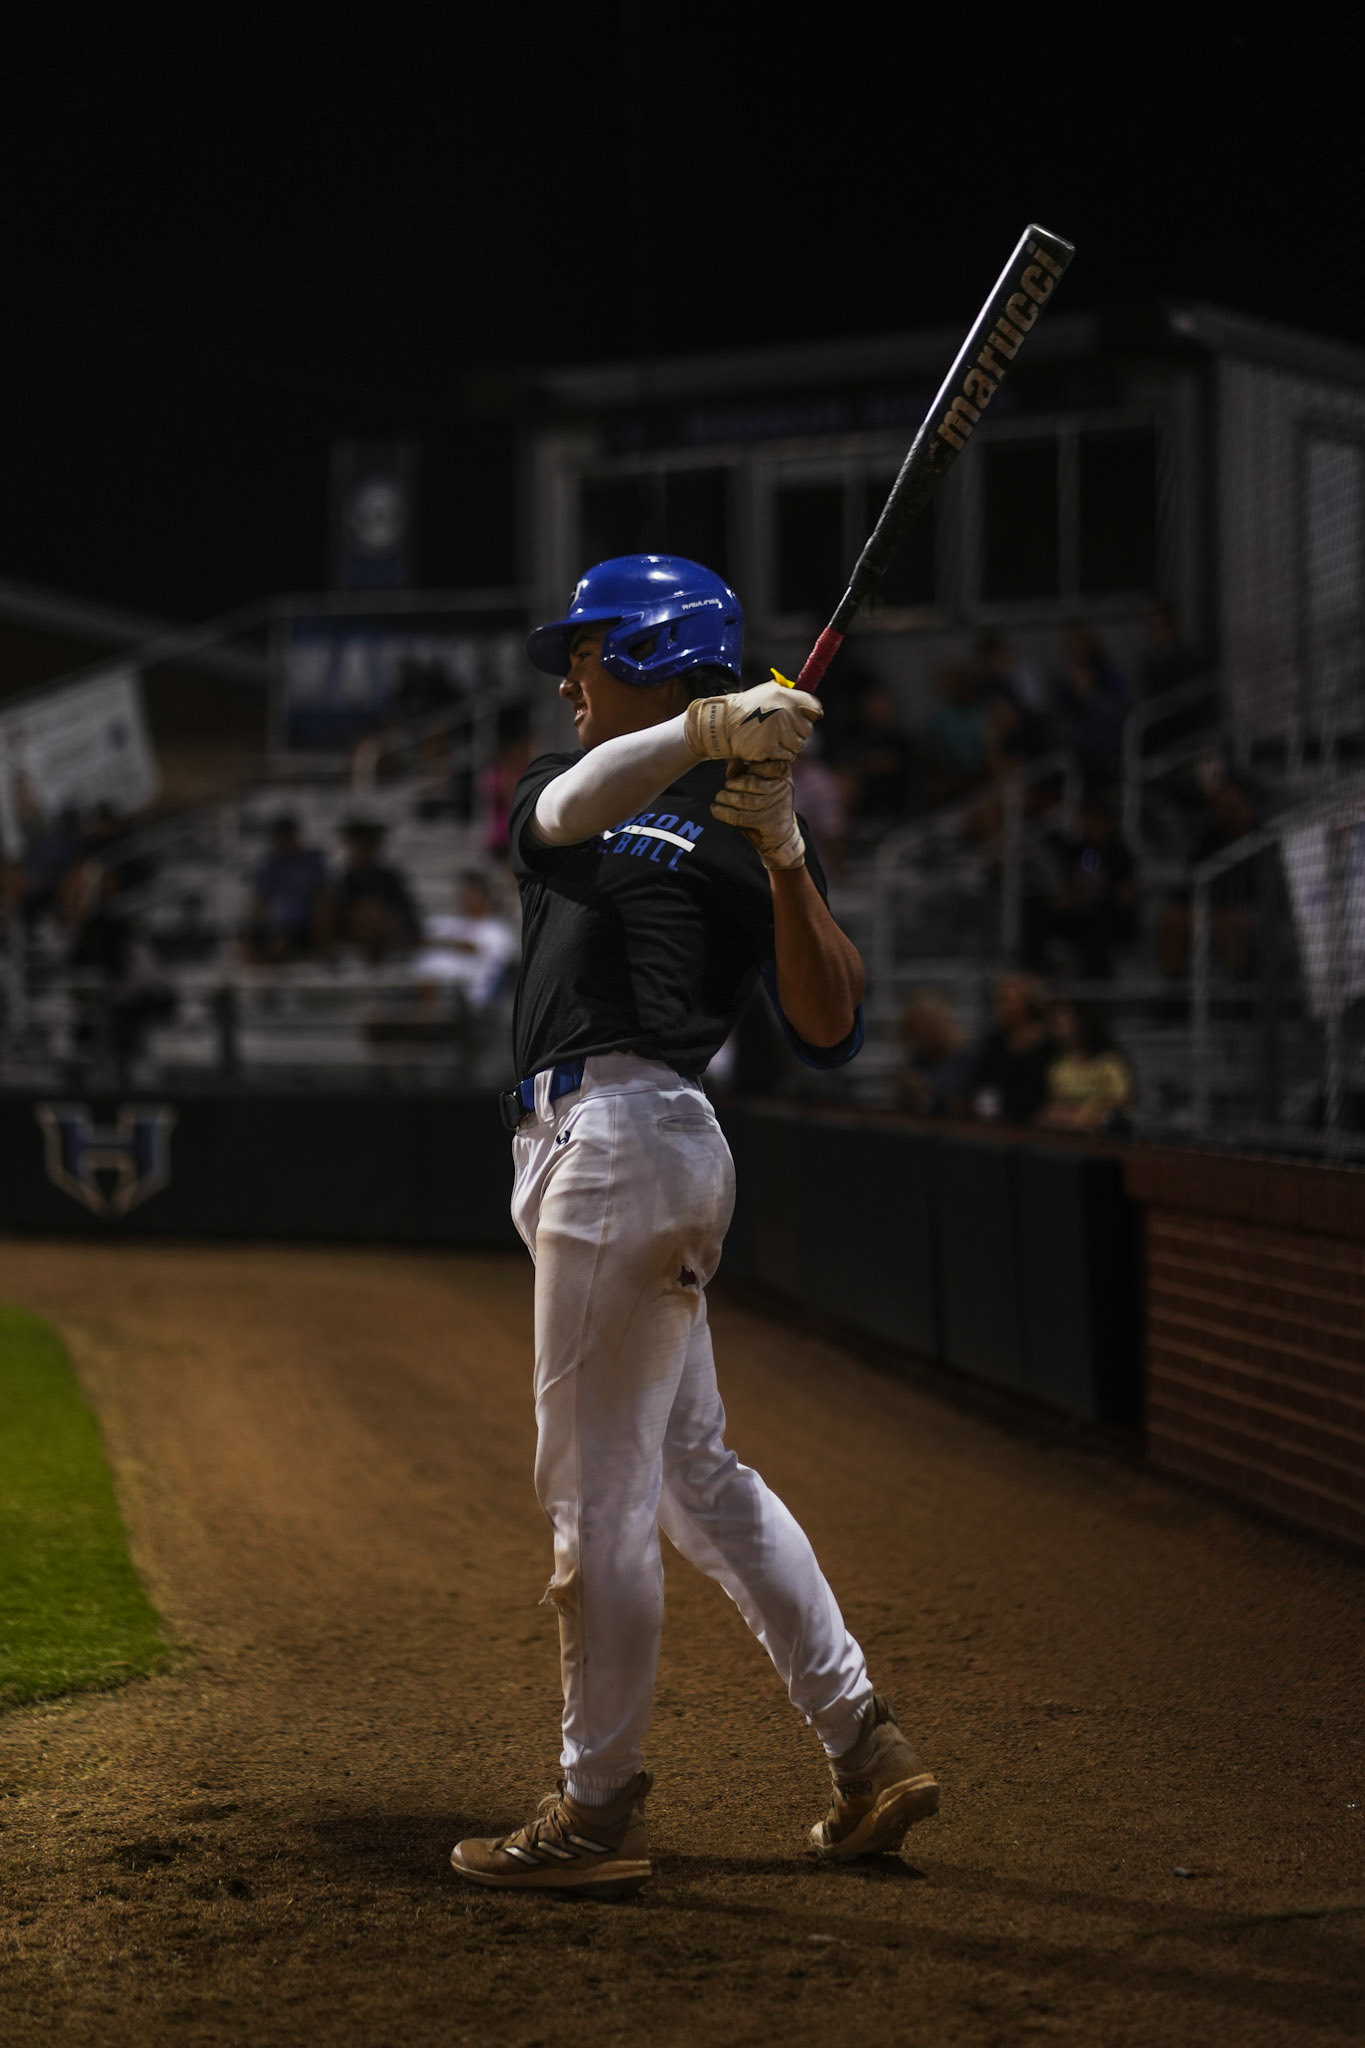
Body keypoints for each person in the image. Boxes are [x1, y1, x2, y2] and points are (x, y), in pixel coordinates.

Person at [448, 554, 939, 1900]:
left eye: (586, 650)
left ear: (652, 650)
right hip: (617, 1156)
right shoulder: (588, 785)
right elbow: (563, 803)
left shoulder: (739, 821)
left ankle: (595, 1804)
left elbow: (829, 1022)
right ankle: (866, 1745)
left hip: (631, 1138)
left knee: (594, 1500)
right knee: (694, 1479)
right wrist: (706, 733)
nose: (570, 677)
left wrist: (783, 849)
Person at [964, 973, 1056, 1124]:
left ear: (1028, 1003)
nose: (1002, 1008)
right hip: (999, 1124)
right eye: (999, 1002)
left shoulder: (1049, 1044)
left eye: (1007, 1001)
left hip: (1039, 1124)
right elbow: (982, 1085)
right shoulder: (994, 1042)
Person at [329, 818, 422, 964]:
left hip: (386, 928)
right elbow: (340, 907)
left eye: (363, 846)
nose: (359, 851)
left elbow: (404, 910)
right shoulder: (347, 878)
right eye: (355, 846)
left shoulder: (389, 877)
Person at [241, 814, 329, 964]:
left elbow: (321, 898)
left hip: (304, 924)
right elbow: (260, 901)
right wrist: (257, 925)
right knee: (248, 939)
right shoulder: (270, 866)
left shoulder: (310, 863)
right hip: (276, 923)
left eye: (287, 837)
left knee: (280, 941)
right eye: (280, 838)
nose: (284, 843)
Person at [1036, 999, 1136, 1131]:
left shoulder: (1109, 1062)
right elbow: (1053, 1102)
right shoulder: (1058, 1064)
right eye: (1056, 1022)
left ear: (1083, 1023)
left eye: (1066, 1021)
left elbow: (1124, 1100)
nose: (1058, 1027)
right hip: (1068, 1130)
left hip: (1105, 1130)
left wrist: (1090, 1112)